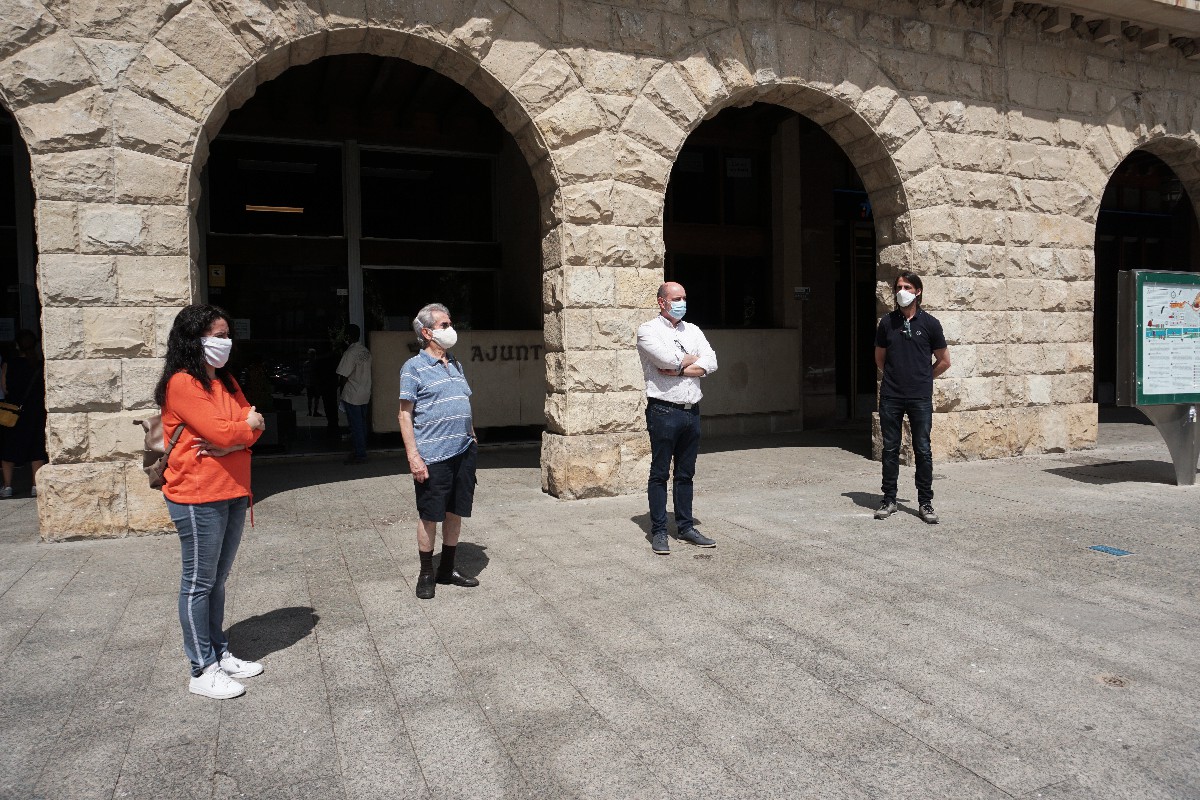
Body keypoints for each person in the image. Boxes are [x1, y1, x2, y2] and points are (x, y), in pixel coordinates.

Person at [156, 304, 266, 699]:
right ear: (194, 339)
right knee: (198, 583)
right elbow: (224, 430)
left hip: (233, 490)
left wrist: (235, 439)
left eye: (227, 335)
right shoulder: (182, 383)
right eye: (218, 336)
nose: (226, 342)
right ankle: (202, 668)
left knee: (217, 580)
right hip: (198, 495)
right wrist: (238, 432)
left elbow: (256, 423)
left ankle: (219, 652)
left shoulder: (226, 380)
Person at [398, 303, 480, 600]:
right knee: (430, 515)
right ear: (426, 332)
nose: (450, 329)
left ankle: (447, 569)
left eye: (450, 323)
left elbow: (463, 400)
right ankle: (426, 574)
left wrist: (472, 435)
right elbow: (404, 414)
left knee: (455, 512)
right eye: (444, 325)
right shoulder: (413, 368)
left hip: (463, 451)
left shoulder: (455, 363)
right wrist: (413, 457)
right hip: (433, 456)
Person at [636, 282, 718, 555]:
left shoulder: (693, 330)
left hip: (691, 411)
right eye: (676, 298)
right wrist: (693, 361)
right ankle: (659, 531)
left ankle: (686, 527)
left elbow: (712, 361)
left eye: (684, 298)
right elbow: (664, 360)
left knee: (685, 474)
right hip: (663, 410)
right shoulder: (648, 330)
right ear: (662, 302)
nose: (682, 303)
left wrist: (683, 369)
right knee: (660, 473)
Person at [873, 273, 951, 524]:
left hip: (919, 397)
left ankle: (925, 502)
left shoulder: (930, 323)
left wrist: (923, 377)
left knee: (923, 449)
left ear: (918, 292)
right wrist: (896, 376)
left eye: (907, 287)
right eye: (898, 287)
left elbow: (944, 361)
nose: (902, 291)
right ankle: (889, 499)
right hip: (891, 396)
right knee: (890, 448)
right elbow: (880, 358)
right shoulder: (887, 323)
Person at [1, 330, 48, 499]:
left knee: (9, 449)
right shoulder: (40, 365)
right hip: (36, 412)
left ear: (17, 345)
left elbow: (5, 388)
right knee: (36, 448)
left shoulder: (9, 364)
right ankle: (35, 485)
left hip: (13, 413)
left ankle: (7, 486)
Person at [336, 324, 372, 464]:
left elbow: (343, 375)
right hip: (364, 393)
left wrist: (340, 391)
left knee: (356, 426)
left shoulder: (350, 353)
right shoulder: (365, 351)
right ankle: (360, 450)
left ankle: (360, 454)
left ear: (348, 336)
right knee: (361, 425)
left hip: (352, 395)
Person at [302, 348, 322, 416]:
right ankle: (315, 411)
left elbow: (304, 375)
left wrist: (305, 382)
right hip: (315, 384)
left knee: (310, 398)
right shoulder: (317, 363)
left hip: (309, 384)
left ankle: (310, 411)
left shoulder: (306, 364)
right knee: (316, 398)